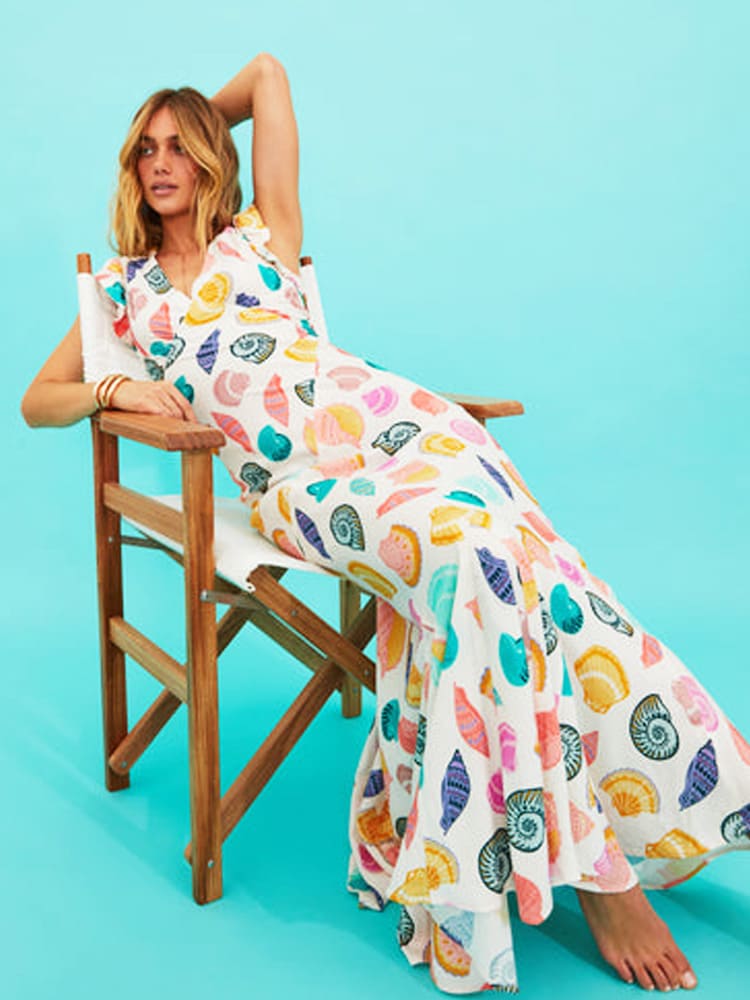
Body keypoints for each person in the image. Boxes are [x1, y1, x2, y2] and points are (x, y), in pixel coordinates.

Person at [21, 53, 750, 994]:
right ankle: (600, 871)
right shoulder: (128, 289)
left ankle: (642, 820)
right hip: (301, 486)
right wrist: (112, 389)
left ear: (209, 156)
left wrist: (197, 115)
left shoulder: (262, 237)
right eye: (145, 150)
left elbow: (267, 75)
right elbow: (37, 400)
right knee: (481, 560)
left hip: (397, 424)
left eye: (179, 147)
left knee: (544, 570)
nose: (160, 164)